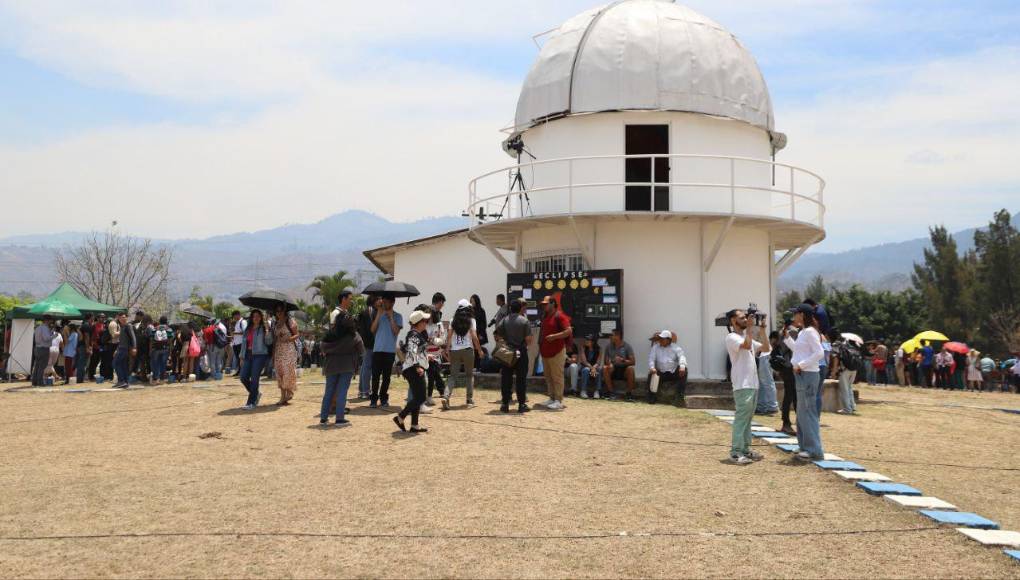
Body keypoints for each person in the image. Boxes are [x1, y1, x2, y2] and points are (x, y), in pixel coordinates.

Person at [725, 309, 771, 464]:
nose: (745, 319)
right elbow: (746, 345)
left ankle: (745, 449)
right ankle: (735, 452)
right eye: (742, 317)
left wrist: (763, 330)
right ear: (733, 321)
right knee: (741, 418)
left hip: (752, 384)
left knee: (748, 419)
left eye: (746, 317)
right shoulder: (731, 337)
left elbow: (766, 348)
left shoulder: (746, 336)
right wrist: (751, 328)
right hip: (742, 384)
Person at [784, 304, 825, 461]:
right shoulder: (803, 332)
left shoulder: (809, 332)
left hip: (807, 374)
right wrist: (787, 339)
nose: (793, 316)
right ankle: (804, 446)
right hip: (801, 374)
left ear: (802, 314)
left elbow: (819, 352)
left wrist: (801, 365)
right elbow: (800, 351)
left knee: (807, 411)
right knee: (801, 411)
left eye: (795, 313)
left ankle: (814, 449)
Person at [320, 290, 364, 427]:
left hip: (331, 364)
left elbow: (322, 347)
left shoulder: (329, 335)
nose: (351, 301)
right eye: (350, 299)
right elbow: (361, 349)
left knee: (329, 391)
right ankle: (339, 419)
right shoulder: (354, 336)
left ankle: (323, 418)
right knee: (342, 392)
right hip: (346, 365)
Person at [393, 310, 431, 433]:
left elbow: (414, 351)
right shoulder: (414, 335)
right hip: (413, 369)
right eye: (425, 321)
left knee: (417, 397)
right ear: (418, 323)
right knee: (421, 397)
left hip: (411, 368)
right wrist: (417, 366)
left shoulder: (414, 334)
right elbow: (413, 351)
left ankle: (414, 425)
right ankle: (400, 417)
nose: (426, 323)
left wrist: (426, 358)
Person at [497, 298, 532, 413]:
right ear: (520, 308)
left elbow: (497, 336)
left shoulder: (504, 320)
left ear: (510, 309)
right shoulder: (524, 321)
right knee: (521, 379)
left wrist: (504, 345)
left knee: (506, 378)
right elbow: (529, 340)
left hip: (507, 352)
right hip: (521, 352)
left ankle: (505, 404)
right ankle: (521, 404)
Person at [538, 295, 572, 410]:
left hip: (557, 352)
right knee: (548, 376)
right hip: (545, 352)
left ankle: (558, 400)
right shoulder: (545, 316)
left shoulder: (560, 316)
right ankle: (551, 398)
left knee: (557, 376)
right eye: (543, 304)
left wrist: (554, 336)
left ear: (553, 304)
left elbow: (568, 331)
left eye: (545, 304)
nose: (544, 306)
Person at [445, 298, 481, 409]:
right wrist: (479, 350)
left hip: (455, 350)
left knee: (452, 376)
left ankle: (446, 396)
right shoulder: (471, 320)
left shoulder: (452, 320)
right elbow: (474, 337)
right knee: (469, 375)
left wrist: (447, 349)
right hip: (468, 350)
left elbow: (449, 336)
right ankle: (469, 400)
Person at [370, 296, 402, 408]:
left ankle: (383, 398)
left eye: (386, 301)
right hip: (377, 349)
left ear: (392, 302)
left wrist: (391, 318)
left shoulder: (398, 316)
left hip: (389, 351)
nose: (383, 303)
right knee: (375, 376)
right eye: (383, 301)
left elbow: (396, 332)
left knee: (386, 377)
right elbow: (372, 330)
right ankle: (373, 398)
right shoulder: (378, 314)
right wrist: (379, 314)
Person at [240, 310, 273, 409]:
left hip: (260, 355)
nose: (256, 318)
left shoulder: (264, 328)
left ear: (261, 317)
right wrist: (241, 356)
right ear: (251, 318)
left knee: (254, 379)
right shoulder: (248, 329)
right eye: (254, 316)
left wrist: (267, 330)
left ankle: (251, 402)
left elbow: (269, 342)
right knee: (243, 377)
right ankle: (256, 393)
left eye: (258, 316)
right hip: (248, 355)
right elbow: (244, 343)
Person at [647, 330, 688, 405]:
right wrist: (652, 367)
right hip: (661, 373)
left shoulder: (676, 347)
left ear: (668, 340)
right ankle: (651, 397)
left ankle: (679, 396)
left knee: (684, 370)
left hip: (673, 372)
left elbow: (682, 356)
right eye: (660, 339)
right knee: (651, 374)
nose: (660, 340)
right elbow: (651, 358)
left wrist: (682, 366)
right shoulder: (655, 347)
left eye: (663, 339)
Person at [423, 293, 448, 409]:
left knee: (434, 374)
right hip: (425, 353)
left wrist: (434, 340)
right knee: (431, 375)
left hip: (435, 353)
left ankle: (431, 395)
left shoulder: (438, 325)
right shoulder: (423, 325)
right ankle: (434, 394)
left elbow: (442, 339)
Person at [272, 305, 300, 405]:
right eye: (277, 311)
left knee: (288, 371)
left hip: (289, 350)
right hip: (279, 350)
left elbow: (297, 335)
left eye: (281, 310)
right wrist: (273, 353)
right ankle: (283, 396)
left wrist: (288, 339)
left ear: (285, 311)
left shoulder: (290, 321)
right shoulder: (275, 323)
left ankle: (290, 392)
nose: (279, 312)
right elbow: (275, 338)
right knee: (280, 373)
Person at [603, 328, 635, 401]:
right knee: (605, 368)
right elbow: (605, 361)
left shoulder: (627, 346)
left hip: (624, 370)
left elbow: (633, 362)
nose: (610, 337)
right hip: (613, 369)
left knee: (630, 369)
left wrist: (622, 360)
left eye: (612, 335)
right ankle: (611, 393)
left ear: (618, 336)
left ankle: (629, 394)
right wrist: (610, 362)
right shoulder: (608, 346)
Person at [356, 295, 377, 399]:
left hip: (365, 342)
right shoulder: (371, 311)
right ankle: (365, 391)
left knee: (365, 366)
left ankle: (361, 390)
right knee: (368, 367)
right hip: (370, 342)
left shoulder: (364, 311)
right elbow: (371, 328)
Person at [834, 338, 861, 414]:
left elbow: (836, 360)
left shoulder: (839, 347)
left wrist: (834, 372)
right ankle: (852, 406)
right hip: (854, 370)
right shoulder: (852, 348)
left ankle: (847, 409)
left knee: (844, 390)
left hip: (845, 370)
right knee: (849, 388)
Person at [111, 312, 136, 389]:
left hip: (125, 349)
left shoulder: (128, 326)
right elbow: (121, 340)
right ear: (118, 318)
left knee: (115, 363)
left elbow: (133, 337)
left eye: (125, 317)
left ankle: (121, 381)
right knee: (123, 365)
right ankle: (125, 382)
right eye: (122, 317)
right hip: (121, 348)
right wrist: (117, 349)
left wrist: (134, 347)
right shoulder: (122, 326)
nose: (124, 318)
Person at [577, 334, 603, 399]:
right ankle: (583, 390)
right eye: (586, 340)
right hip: (585, 367)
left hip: (594, 369)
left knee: (599, 370)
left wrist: (594, 368)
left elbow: (598, 362)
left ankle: (597, 391)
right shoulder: (583, 348)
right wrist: (592, 368)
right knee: (586, 370)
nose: (586, 341)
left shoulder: (599, 349)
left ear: (593, 342)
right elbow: (584, 361)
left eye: (588, 340)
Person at [150, 316, 172, 385]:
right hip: (165, 348)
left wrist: (150, 349)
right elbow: (170, 340)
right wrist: (170, 350)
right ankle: (162, 379)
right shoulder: (168, 329)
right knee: (163, 364)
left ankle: (155, 379)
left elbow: (151, 339)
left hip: (156, 349)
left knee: (155, 364)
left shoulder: (155, 328)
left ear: (159, 321)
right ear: (166, 321)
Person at [32, 317, 55, 386]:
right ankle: (40, 382)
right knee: (42, 366)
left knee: (37, 366)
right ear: (47, 320)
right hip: (43, 349)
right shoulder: (45, 328)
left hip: (37, 348)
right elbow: (46, 338)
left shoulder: (38, 328)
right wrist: (54, 336)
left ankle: (34, 382)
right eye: (51, 320)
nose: (51, 321)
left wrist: (50, 332)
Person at [229, 311, 246, 376]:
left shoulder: (243, 322)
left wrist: (235, 333)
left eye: (234, 316)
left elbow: (245, 332)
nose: (234, 318)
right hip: (236, 343)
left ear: (238, 315)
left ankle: (243, 372)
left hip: (241, 343)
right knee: (238, 358)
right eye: (233, 317)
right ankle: (239, 371)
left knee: (241, 358)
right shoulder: (237, 322)